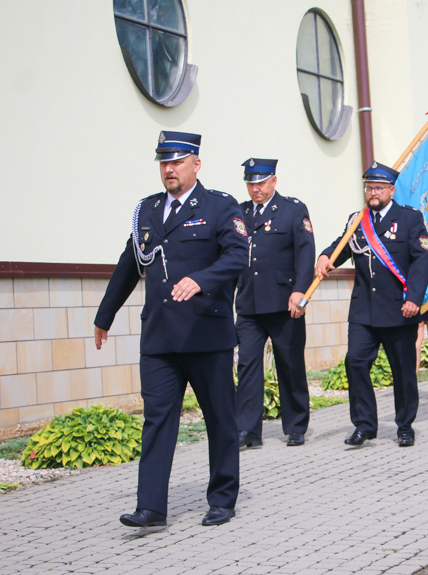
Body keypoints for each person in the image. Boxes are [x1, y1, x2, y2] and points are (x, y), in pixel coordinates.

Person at [94, 131, 248, 527]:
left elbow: (238, 255)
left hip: (205, 334)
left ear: (196, 164)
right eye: (164, 162)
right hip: (160, 337)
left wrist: (202, 279)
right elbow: (130, 263)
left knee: (219, 419)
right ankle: (151, 508)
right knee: (158, 419)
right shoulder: (147, 210)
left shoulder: (219, 207)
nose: (168, 169)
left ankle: (222, 498)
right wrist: (104, 315)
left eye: (177, 162)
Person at [315, 162, 428, 447]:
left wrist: (414, 298)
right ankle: (365, 425)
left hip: (399, 308)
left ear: (391, 190)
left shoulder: (410, 219)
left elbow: (421, 262)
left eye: (378, 187)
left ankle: (405, 425)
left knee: (402, 370)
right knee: (355, 362)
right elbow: (341, 246)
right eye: (369, 187)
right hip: (364, 310)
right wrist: (325, 256)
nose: (372, 192)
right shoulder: (357, 219)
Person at [234, 158, 315, 449]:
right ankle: (248, 431)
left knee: (290, 365)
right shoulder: (240, 213)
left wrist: (300, 292)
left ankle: (295, 426)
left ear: (274, 181)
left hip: (284, 304)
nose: (255, 189)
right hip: (249, 305)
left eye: (261, 182)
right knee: (247, 366)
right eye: (251, 183)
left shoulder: (293, 210)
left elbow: (306, 253)